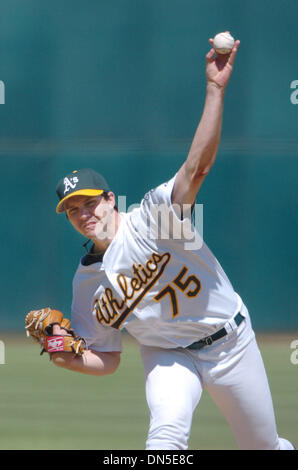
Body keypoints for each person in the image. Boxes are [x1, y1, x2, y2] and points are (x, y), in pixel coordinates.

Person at [50, 37, 295, 450]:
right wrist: (63, 353)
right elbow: (107, 359)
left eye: (89, 203)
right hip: (167, 354)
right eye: (73, 210)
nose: (83, 214)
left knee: (263, 446)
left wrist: (215, 90)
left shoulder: (153, 218)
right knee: (164, 440)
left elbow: (197, 168)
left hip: (228, 341)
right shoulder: (85, 284)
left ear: (110, 200)